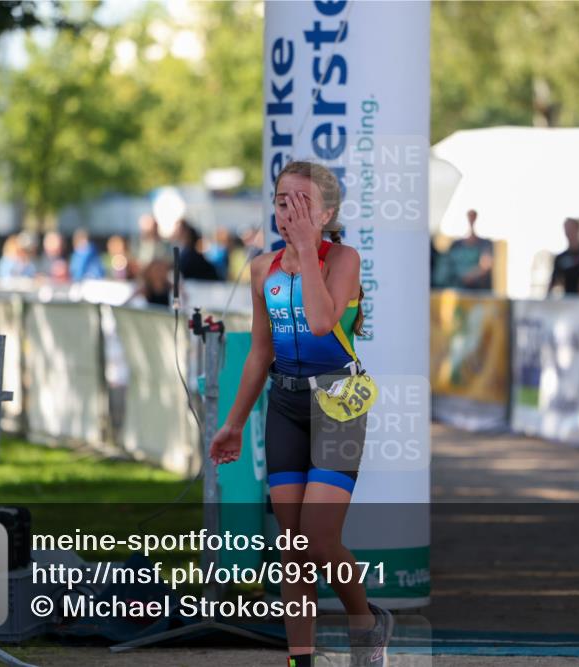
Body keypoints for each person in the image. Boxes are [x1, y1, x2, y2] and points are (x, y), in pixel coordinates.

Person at [209, 160, 393, 667]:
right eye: (282, 199)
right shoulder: (261, 269)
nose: (289, 210)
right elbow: (260, 352)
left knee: (317, 536)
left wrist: (309, 249)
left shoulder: (344, 259)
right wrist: (234, 422)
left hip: (337, 403)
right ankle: (301, 659)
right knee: (292, 547)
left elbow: (318, 322)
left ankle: (366, 621)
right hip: (286, 404)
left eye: (302, 201)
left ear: (327, 212)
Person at [444, 209, 493, 290]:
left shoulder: (485, 244)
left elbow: (485, 264)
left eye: (473, 217)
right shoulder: (456, 244)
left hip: (477, 291)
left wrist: (471, 275)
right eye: (469, 216)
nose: (471, 220)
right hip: (456, 289)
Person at [549, 217, 579, 295]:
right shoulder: (560, 258)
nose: (569, 232)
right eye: (567, 230)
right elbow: (553, 283)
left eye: (572, 229)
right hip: (571, 300)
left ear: (578, 229)